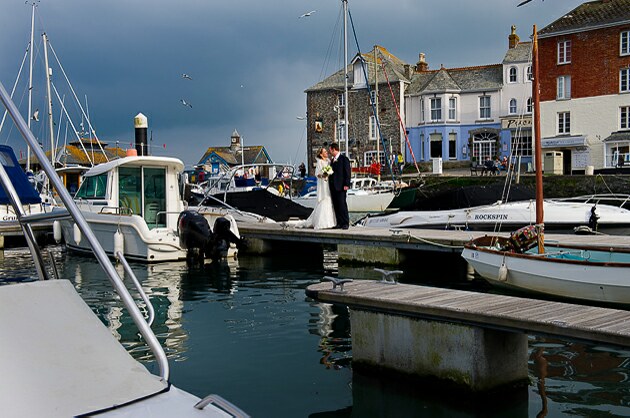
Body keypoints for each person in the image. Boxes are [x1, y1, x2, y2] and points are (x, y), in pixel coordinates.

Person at [286, 148, 336, 229]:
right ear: (321, 154)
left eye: (326, 151)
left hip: (328, 184)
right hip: (323, 183)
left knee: (329, 199)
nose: (327, 152)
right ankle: (322, 222)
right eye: (325, 152)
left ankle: (331, 222)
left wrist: (329, 173)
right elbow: (317, 174)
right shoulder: (320, 162)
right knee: (324, 199)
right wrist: (324, 174)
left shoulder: (328, 161)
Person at [328, 142, 351, 229]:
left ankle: (345, 223)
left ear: (334, 149)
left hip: (341, 186)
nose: (329, 151)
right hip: (333, 186)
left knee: (342, 204)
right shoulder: (332, 161)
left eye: (330, 150)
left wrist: (346, 184)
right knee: (336, 205)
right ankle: (339, 222)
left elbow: (347, 172)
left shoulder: (344, 159)